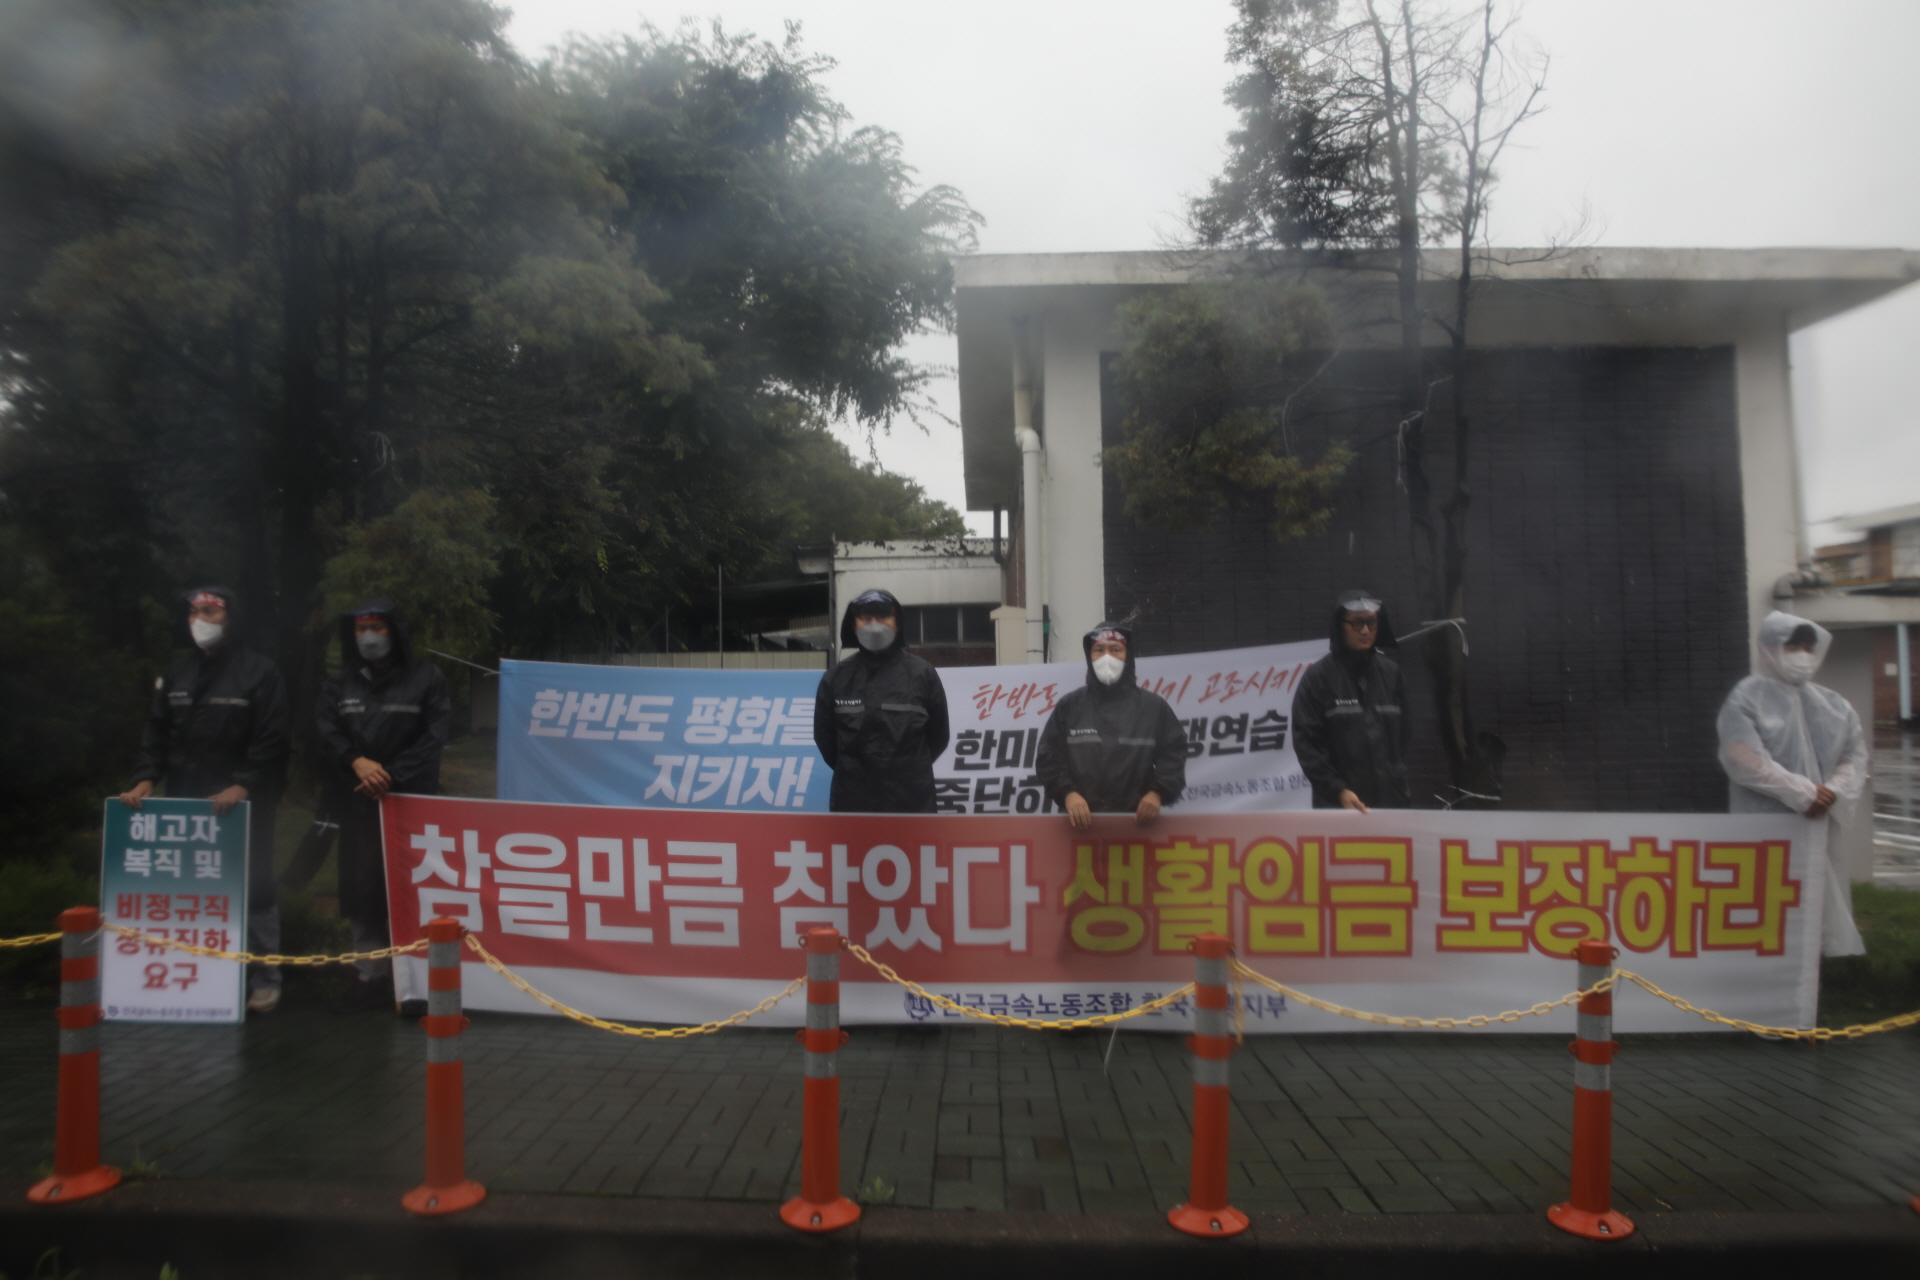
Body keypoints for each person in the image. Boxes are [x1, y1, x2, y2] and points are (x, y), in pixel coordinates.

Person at [120, 586, 290, 1013]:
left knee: (255, 885)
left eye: (210, 612)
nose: (200, 620)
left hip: (244, 802)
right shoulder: (178, 672)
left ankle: (265, 979)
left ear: (231, 618)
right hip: (187, 801)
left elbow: (272, 737)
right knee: (193, 887)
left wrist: (243, 784)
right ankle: (199, 980)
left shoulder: (260, 671)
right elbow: (156, 731)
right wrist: (145, 778)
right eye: (194, 612)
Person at [316, 598, 452, 1009]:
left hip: (411, 801)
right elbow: (327, 732)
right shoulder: (340, 684)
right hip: (358, 801)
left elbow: (434, 735)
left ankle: (416, 979)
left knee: (412, 889)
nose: (368, 636)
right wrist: (355, 762)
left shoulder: (426, 677)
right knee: (363, 888)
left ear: (394, 630)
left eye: (376, 627)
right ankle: (369, 974)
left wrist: (392, 774)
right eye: (360, 629)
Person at [1717, 611, 1868, 957]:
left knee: (1816, 888)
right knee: (1766, 891)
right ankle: (1763, 964)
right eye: (1792, 645)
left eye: (1808, 647)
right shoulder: (1746, 697)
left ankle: (1816, 960)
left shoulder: (1833, 704)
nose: (1802, 654)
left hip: (1818, 815)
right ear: (1769, 648)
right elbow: (1742, 758)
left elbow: (1854, 756)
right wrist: (1804, 793)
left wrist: (1832, 792)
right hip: (1764, 820)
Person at [1034, 621, 1187, 829]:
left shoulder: (1153, 707)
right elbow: (1048, 757)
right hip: (1079, 826)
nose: (1107, 657)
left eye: (1115, 650)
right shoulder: (1070, 706)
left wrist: (1157, 793)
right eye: (1099, 650)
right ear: (1090, 656)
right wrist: (1068, 794)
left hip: (1137, 825)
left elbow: (1174, 753)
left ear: (1128, 655)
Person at [813, 588, 950, 813]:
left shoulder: (922, 674)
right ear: (853, 624)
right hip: (853, 797)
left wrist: (907, 770)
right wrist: (853, 770)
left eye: (883, 617)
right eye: (866, 618)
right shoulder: (836, 677)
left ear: (897, 623)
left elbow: (939, 736)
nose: (875, 625)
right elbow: (824, 737)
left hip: (912, 798)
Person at [1291, 588, 1412, 812]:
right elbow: (1308, 745)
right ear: (1340, 625)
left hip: (1391, 803)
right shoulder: (1318, 679)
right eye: (1357, 623)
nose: (1365, 630)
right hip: (1339, 805)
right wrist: (1337, 790)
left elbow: (1404, 736)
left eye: (1371, 622)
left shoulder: (1391, 674)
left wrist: (1395, 779)